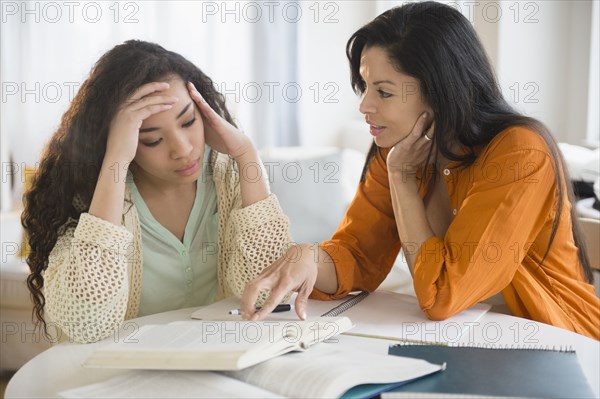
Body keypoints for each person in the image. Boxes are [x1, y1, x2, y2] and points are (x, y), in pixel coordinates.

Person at [240, 1, 600, 339]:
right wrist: (308, 257)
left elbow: (444, 294)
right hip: (459, 340)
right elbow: (359, 256)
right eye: (364, 86)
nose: (364, 105)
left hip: (555, 339)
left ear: (439, 91)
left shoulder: (519, 152)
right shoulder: (395, 149)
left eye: (383, 92)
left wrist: (402, 181)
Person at [22, 40, 292, 343]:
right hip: (124, 372)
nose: (183, 149)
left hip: (219, 359)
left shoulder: (227, 175)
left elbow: (266, 297)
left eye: (188, 121)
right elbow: (86, 324)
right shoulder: (92, 196)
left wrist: (246, 154)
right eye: (152, 140)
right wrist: (115, 160)